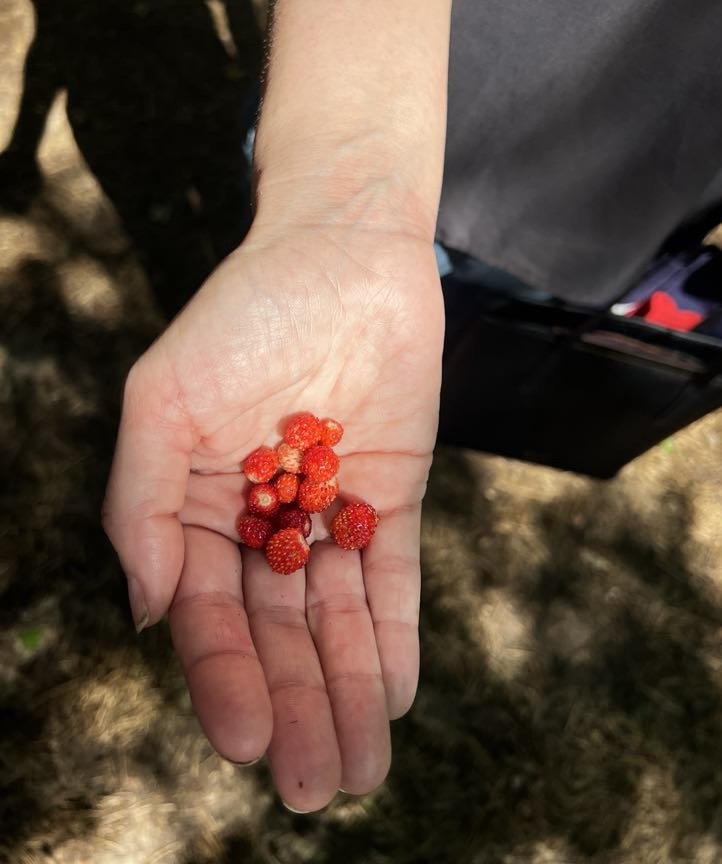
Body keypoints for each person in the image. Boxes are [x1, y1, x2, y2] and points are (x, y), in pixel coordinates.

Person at [102, 0, 722, 813]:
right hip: (394, 100)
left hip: (623, 202)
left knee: (478, 318)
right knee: (435, 314)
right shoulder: (296, 484)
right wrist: (340, 196)